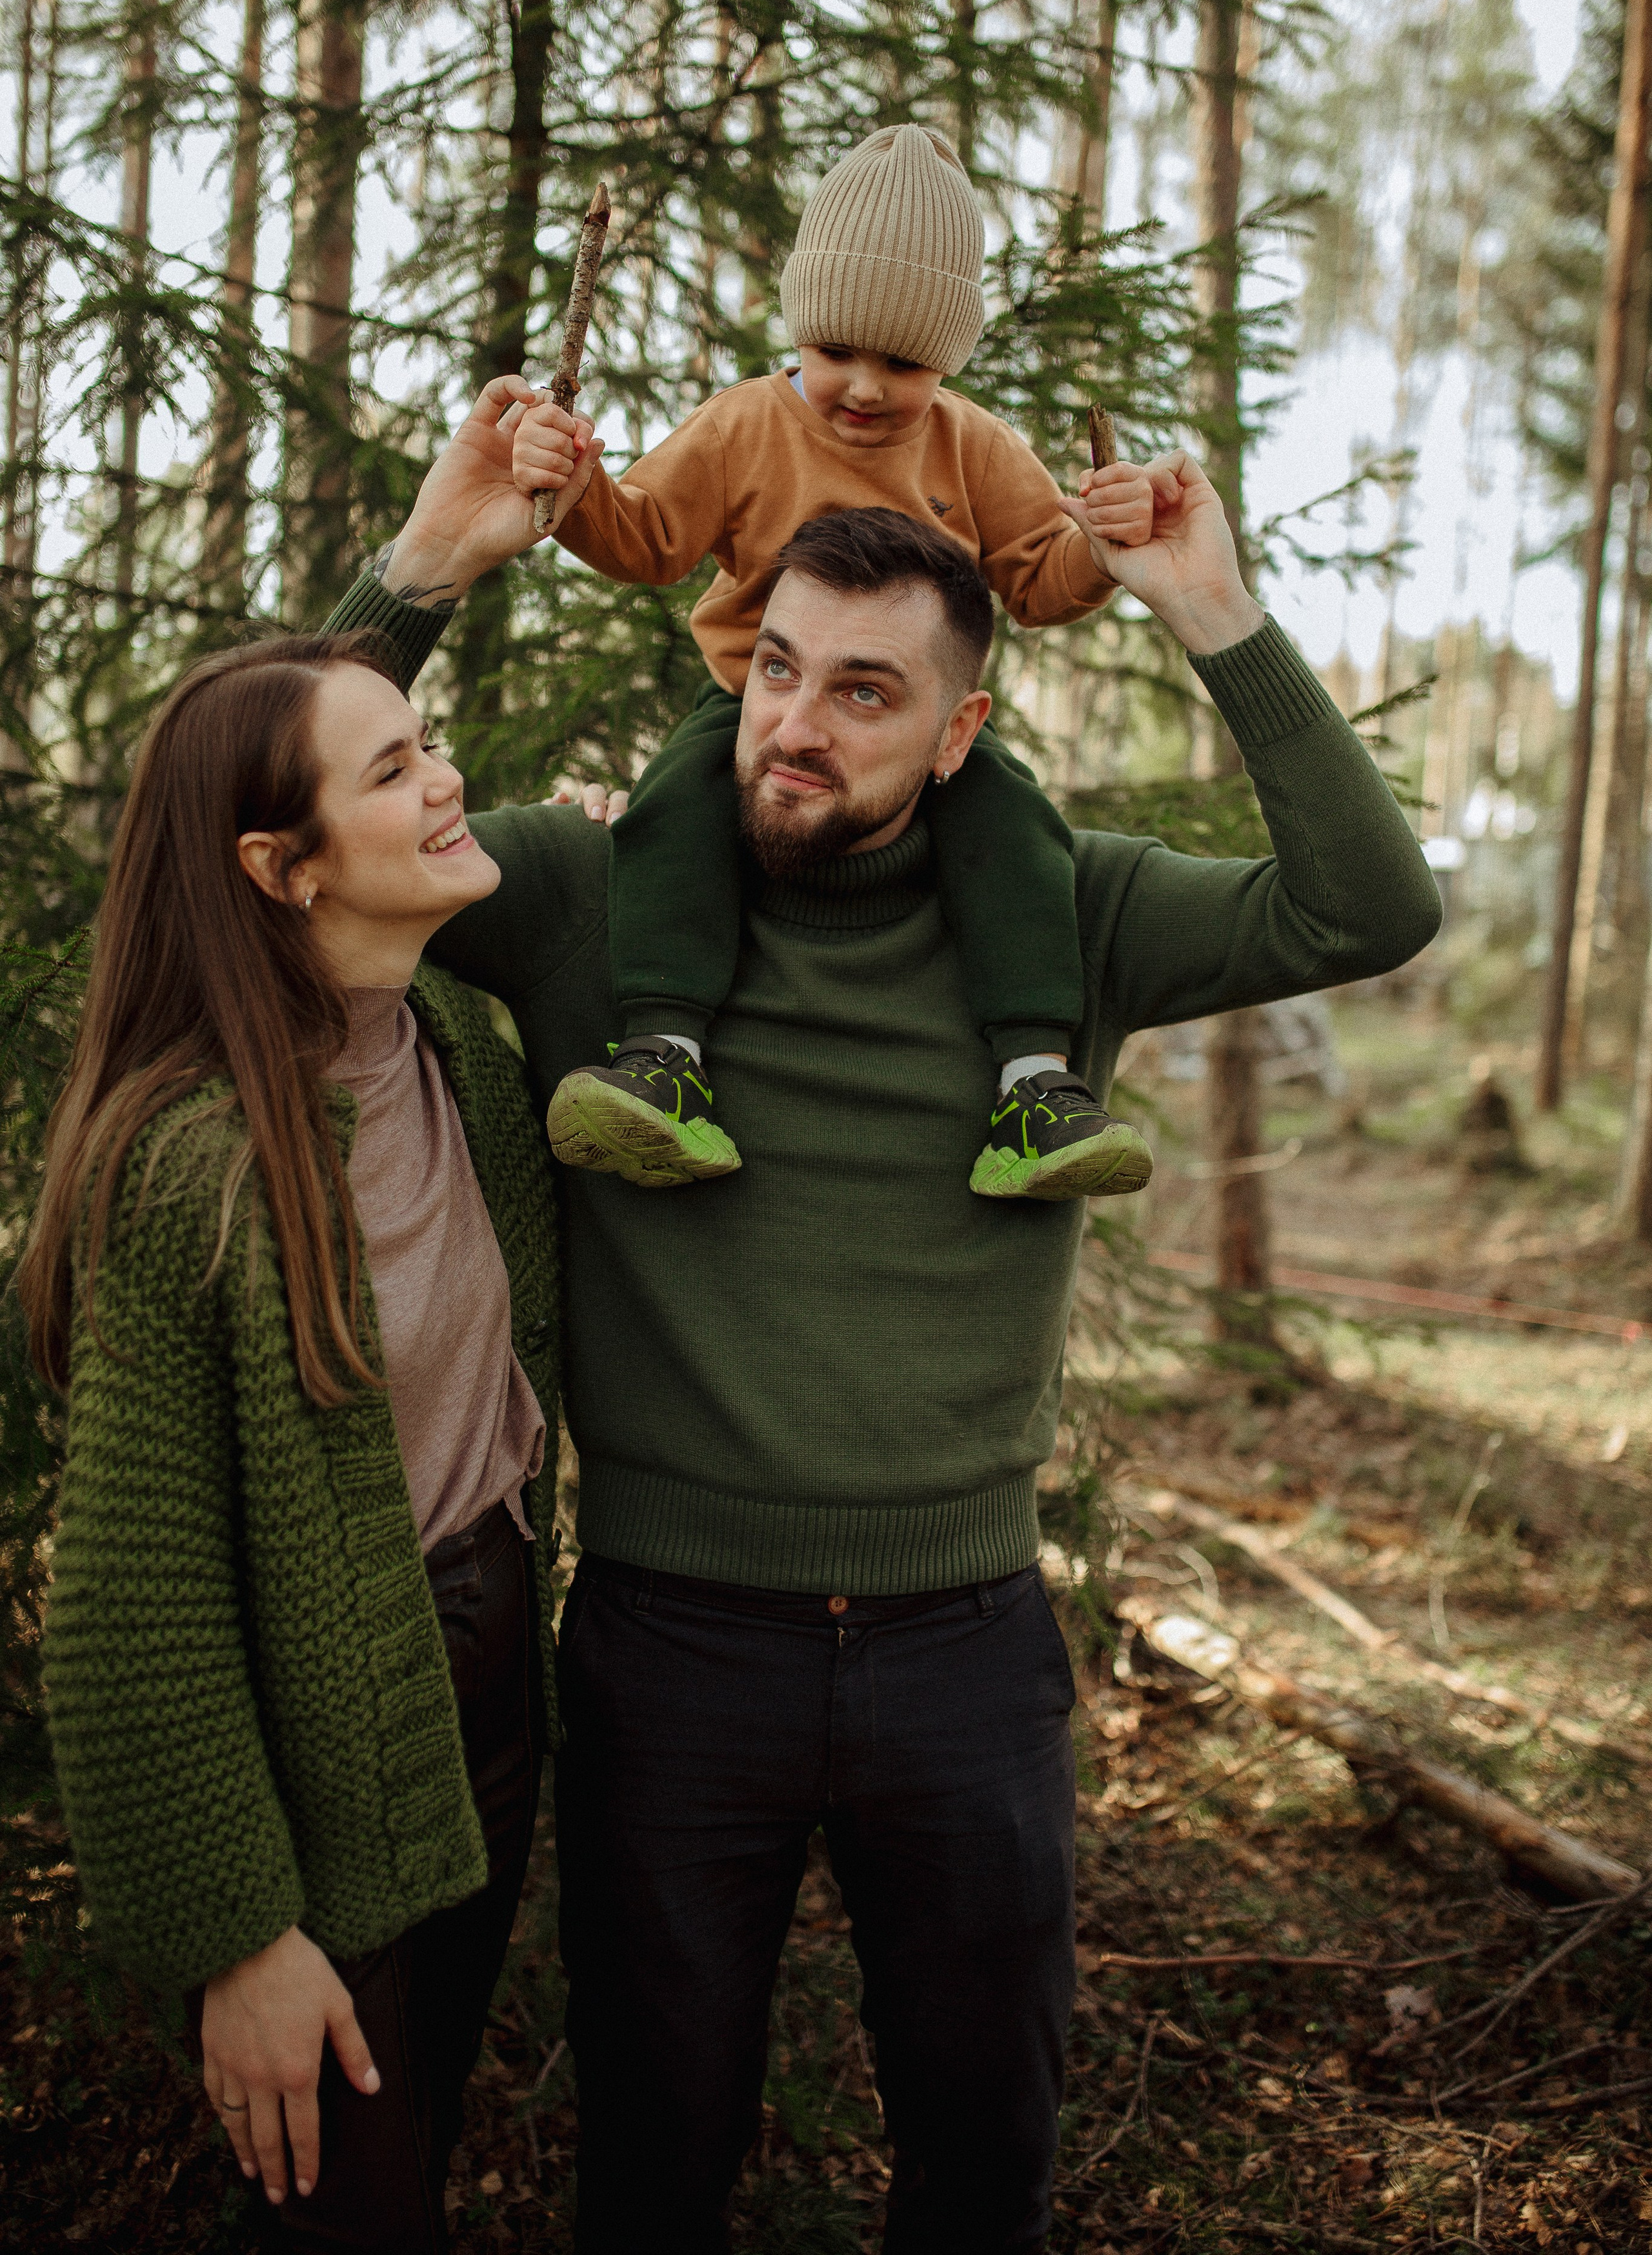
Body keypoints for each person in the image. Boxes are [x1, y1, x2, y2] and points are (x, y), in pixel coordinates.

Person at [323, 379, 1441, 2253]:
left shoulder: (1068, 919)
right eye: (778, 670)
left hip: (966, 1652)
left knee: (984, 2150)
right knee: (658, 2157)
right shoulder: (596, 897)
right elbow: (274, 821)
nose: (796, 727)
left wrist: (1215, 614)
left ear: (960, 732)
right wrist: (434, 560)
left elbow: (1369, 904)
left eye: (866, 693)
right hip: (676, 1648)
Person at [21, 622, 572, 2254]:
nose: (445, 778)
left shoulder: (458, 1051)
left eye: (430, 743)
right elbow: (133, 1608)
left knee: (410, 2137)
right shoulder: (194, 1160)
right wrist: (239, 1938)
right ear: (281, 867)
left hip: (489, 1683)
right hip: (313, 1742)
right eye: (392, 769)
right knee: (340, 2208)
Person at [512, 123, 1158, 1202]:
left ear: (947, 356)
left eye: (901, 362)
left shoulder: (976, 447)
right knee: (677, 813)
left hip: (918, 739)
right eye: (835, 352)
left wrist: (1103, 542)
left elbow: (1042, 580)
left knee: (1019, 836)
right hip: (753, 710)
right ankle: (665, 1056)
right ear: (800, 329)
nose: (862, 386)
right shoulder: (743, 426)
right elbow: (649, 539)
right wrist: (573, 489)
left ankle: (1037, 1082)